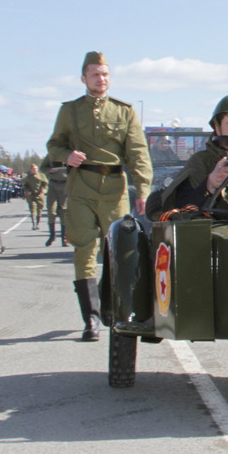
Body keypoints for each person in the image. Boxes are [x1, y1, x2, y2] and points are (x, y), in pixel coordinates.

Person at [46, 51, 152, 342]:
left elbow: (138, 152)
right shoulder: (70, 110)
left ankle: (116, 310)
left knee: (117, 251)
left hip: (114, 189)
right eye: (95, 74)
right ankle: (91, 318)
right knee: (84, 250)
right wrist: (67, 155)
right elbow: (53, 146)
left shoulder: (124, 111)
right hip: (80, 187)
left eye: (104, 74)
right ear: (84, 78)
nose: (100, 79)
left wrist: (143, 189)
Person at [40, 155, 69, 246]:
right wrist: (49, 170)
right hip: (53, 184)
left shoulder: (70, 153)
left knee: (63, 211)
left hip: (65, 185)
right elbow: (42, 168)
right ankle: (52, 236)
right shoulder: (52, 154)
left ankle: (64, 238)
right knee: (51, 211)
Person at [21, 163, 48, 230]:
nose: (35, 170)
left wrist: (44, 190)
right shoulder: (28, 177)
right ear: (31, 170)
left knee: (39, 209)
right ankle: (34, 224)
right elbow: (24, 184)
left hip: (39, 195)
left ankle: (38, 223)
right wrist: (27, 191)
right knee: (32, 208)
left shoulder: (42, 176)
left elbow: (46, 184)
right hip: (31, 195)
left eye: (36, 169)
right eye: (33, 169)